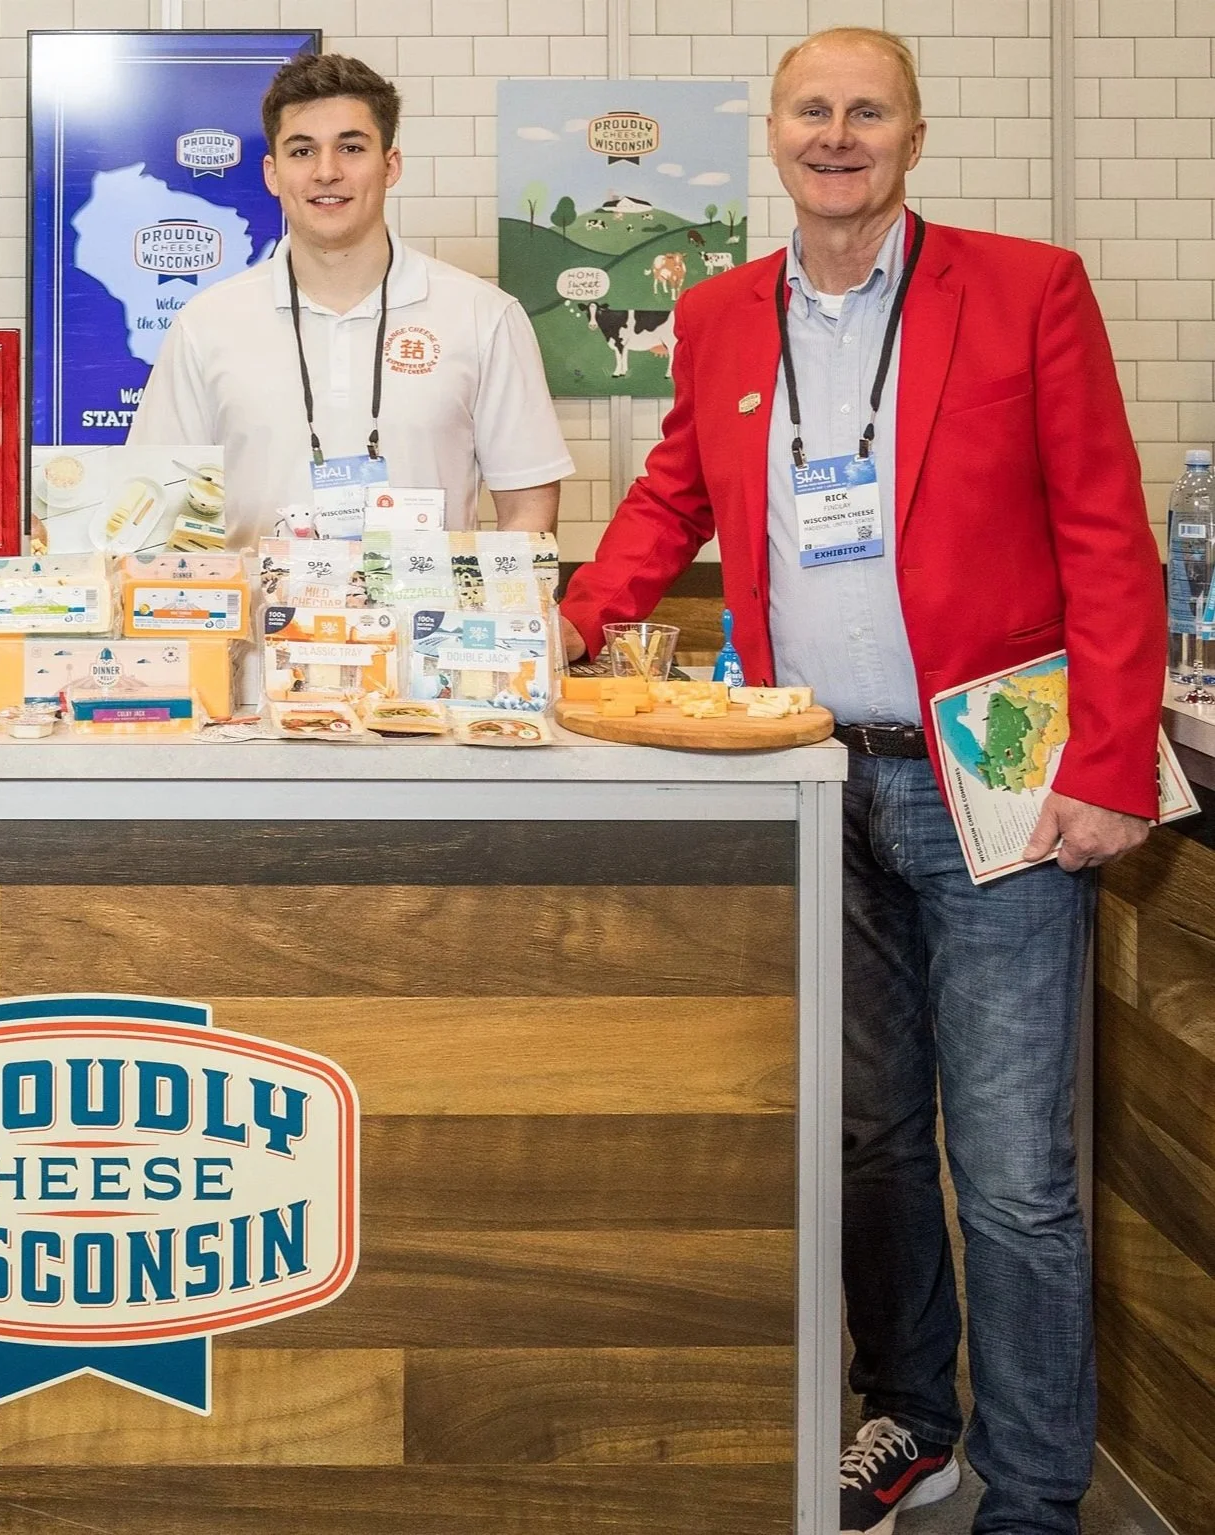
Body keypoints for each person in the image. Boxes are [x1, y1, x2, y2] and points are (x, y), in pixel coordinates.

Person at [559, 27, 1165, 1535]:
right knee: (867, 1135)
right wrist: (541, 640)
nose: (837, 135)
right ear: (771, 134)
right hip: (812, 772)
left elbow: (1104, 527)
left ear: (913, 136)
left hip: (997, 782)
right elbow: (669, 501)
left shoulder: (1027, 289)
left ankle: (1034, 1492)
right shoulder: (712, 314)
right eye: (811, 110)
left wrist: (1110, 764)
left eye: (866, 112)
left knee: (1016, 1169)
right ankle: (917, 1421)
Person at [129, 52, 573, 538]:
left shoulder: (483, 316)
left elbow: (527, 509)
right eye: (302, 151)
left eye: (351, 148)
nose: (326, 172)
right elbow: (160, 501)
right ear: (272, 174)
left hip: (427, 615)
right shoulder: (206, 322)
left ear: (391, 165)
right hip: (258, 614)